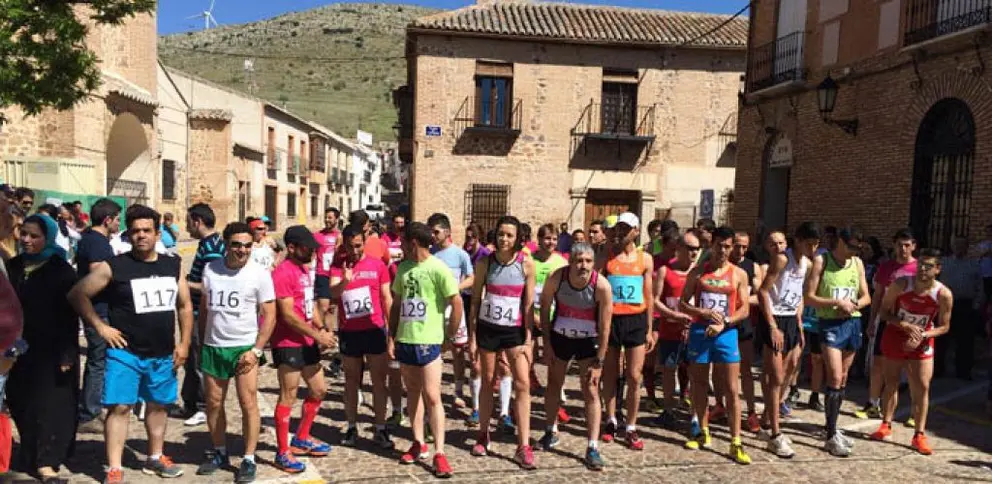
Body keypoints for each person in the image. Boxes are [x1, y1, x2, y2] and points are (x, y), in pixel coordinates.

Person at [67, 204, 193, 483]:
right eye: (135, 231)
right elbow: (78, 294)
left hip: (162, 353)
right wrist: (101, 327)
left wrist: (184, 344)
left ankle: (155, 457)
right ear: (128, 234)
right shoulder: (115, 266)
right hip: (125, 353)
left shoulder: (172, 264)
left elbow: (184, 306)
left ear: (158, 233)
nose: (141, 236)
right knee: (120, 407)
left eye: (147, 230)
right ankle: (115, 467)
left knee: (159, 405)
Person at [194, 222, 277, 482]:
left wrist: (257, 350)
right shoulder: (211, 269)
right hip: (214, 347)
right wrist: (202, 340)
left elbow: (270, 315)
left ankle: (249, 458)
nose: (242, 250)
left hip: (244, 348)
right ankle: (219, 452)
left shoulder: (259, 273)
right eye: (236, 245)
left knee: (248, 403)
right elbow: (205, 309)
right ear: (226, 245)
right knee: (214, 404)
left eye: (247, 245)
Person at [6, 214, 78, 481]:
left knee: (47, 406)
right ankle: (29, 453)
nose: (26, 240)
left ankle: (47, 462)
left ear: (47, 238)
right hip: (16, 349)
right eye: (23, 233)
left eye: (34, 236)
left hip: (51, 349)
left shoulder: (61, 270)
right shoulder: (12, 267)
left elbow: (71, 315)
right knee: (20, 402)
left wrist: (68, 352)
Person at [389, 221, 461, 478]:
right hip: (406, 340)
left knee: (433, 396)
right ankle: (418, 442)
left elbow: (456, 300)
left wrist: (449, 335)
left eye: (403, 242)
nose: (401, 246)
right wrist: (391, 336)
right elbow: (397, 304)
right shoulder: (403, 268)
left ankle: (440, 452)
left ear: (413, 242)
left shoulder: (438, 268)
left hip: (430, 341)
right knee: (413, 394)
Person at [469, 215, 538, 469]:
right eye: (501, 234)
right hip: (488, 328)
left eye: (509, 235)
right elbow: (475, 300)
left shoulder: (526, 265)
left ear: (518, 237)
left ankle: (523, 445)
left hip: (514, 331)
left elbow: (529, 305)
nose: (504, 239)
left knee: (522, 383)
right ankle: (483, 434)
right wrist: (472, 337)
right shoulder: (485, 263)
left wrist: (529, 338)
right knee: (488, 382)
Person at [870, 249, 952, 455]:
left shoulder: (943, 294)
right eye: (921, 265)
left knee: (922, 386)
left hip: (922, 340)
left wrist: (923, 336)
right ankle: (885, 424)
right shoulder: (901, 284)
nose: (923, 270)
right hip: (896, 335)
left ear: (937, 269)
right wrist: (905, 325)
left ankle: (919, 434)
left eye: (929, 266)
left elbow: (944, 326)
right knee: (892, 382)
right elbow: (884, 311)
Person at [537, 242, 611, 470]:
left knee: (590, 389)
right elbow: (545, 308)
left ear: (594, 263)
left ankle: (592, 446)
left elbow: (605, 325)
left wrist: (599, 359)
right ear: (571, 261)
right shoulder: (556, 278)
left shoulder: (601, 285)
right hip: (561, 338)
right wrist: (546, 343)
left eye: (588, 261)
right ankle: (551, 430)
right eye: (579, 260)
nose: (583, 265)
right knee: (553, 384)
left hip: (588, 342)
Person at [681, 226, 751, 465]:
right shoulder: (698, 272)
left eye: (727, 247)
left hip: (726, 334)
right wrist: (701, 311)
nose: (722, 250)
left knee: (732, 388)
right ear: (711, 245)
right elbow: (682, 303)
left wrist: (725, 322)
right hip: (700, 332)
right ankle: (702, 429)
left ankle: (736, 441)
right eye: (719, 245)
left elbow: (745, 308)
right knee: (699, 384)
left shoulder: (739, 274)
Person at [270, 226, 334, 473]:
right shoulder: (283, 273)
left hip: (307, 341)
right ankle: (282, 451)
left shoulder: (305, 270)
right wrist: (317, 335)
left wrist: (322, 327)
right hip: (288, 343)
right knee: (288, 394)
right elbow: (288, 315)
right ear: (293, 248)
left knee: (319, 389)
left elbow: (309, 306)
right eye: (308, 248)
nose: (313, 253)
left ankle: (301, 438)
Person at [806, 227, 872, 457]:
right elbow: (809, 297)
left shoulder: (858, 264)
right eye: (852, 247)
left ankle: (832, 426)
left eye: (859, 248)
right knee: (833, 376)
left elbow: (866, 296)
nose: (855, 251)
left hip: (852, 323)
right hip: (830, 323)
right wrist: (836, 303)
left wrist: (854, 305)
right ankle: (831, 434)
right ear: (841, 243)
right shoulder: (821, 261)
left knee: (843, 377)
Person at [329, 223, 395, 449]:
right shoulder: (338, 265)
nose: (355, 251)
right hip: (349, 332)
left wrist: (392, 333)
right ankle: (350, 426)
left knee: (379, 382)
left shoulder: (378, 265)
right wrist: (346, 279)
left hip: (375, 329)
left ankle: (380, 428)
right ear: (344, 245)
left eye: (358, 246)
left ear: (364, 242)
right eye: (350, 246)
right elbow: (333, 293)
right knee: (351, 382)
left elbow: (387, 298)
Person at [756, 224, 818, 458]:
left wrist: (799, 325)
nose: (812, 248)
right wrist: (772, 326)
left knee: (791, 369)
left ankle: (765, 421)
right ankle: (775, 434)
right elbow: (763, 292)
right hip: (774, 319)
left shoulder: (808, 264)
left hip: (792, 319)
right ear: (798, 241)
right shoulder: (783, 260)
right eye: (809, 243)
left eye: (816, 244)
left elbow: (799, 294)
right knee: (776, 377)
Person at [596, 212, 654, 450]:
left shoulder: (645, 260)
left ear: (636, 231)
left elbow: (649, 295)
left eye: (626, 228)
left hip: (636, 320)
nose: (621, 232)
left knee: (633, 375)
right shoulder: (605, 256)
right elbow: (595, 288)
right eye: (618, 227)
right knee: (610, 374)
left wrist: (650, 329)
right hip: (612, 320)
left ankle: (630, 425)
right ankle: (610, 419)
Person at [75, 198, 122, 433]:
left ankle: (92, 407)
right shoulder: (97, 243)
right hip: (97, 310)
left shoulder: (90, 239)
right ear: (107, 219)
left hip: (98, 308)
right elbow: (97, 272)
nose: (119, 224)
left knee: (99, 359)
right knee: (97, 360)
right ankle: (89, 412)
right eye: (117, 219)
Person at [862, 229, 918, 420]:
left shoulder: (919, 269)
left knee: (911, 368)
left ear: (913, 246)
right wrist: (871, 322)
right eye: (899, 245)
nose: (903, 249)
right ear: (893, 246)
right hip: (886, 321)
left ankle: (913, 412)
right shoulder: (886, 268)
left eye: (907, 245)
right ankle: (873, 403)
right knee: (878, 363)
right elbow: (877, 295)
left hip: (911, 323)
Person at [179, 203, 226, 426]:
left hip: (201, 312)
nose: (186, 225)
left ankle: (202, 406)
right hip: (194, 310)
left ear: (197, 221)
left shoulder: (213, 248)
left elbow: (211, 285)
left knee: (198, 360)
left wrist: (184, 283)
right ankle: (190, 403)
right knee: (190, 358)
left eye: (188, 221)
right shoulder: (207, 244)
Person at [427, 214, 477, 417]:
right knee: (435, 351)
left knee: (458, 352)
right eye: (431, 231)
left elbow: (472, 278)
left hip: (454, 309)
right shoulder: (430, 254)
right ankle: (433, 391)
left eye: (436, 231)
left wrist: (455, 287)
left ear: (447, 232)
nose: (432, 235)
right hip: (435, 310)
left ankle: (458, 391)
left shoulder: (460, 254)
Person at [651, 231, 699, 429]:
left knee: (696, 373)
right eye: (690, 248)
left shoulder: (699, 273)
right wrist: (675, 315)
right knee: (669, 371)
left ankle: (696, 415)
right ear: (678, 249)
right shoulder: (664, 271)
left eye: (697, 249)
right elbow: (654, 301)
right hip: (670, 330)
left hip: (695, 333)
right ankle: (669, 410)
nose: (694, 253)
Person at [937, 236, 983, 379]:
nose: (958, 247)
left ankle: (963, 371)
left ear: (967, 247)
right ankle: (937, 369)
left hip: (965, 305)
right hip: (944, 304)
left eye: (962, 245)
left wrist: (976, 304)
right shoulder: (944, 263)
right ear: (951, 246)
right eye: (956, 244)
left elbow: (979, 287)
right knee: (941, 338)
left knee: (965, 340)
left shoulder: (973, 265)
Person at [530, 224, 567, 391]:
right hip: (531, 313)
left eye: (554, 239)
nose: (550, 242)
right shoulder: (530, 260)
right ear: (539, 239)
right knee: (528, 353)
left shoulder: (561, 263)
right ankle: (530, 381)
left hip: (553, 316)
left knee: (552, 356)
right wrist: (533, 315)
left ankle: (556, 389)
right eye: (547, 238)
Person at [314, 207, 341, 340]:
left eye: (330, 217)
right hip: (322, 274)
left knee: (331, 308)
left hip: (335, 276)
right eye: (326, 217)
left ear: (336, 219)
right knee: (322, 307)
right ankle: (319, 333)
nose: (327, 220)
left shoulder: (340, 236)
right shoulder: (317, 236)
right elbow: (312, 255)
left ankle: (330, 334)